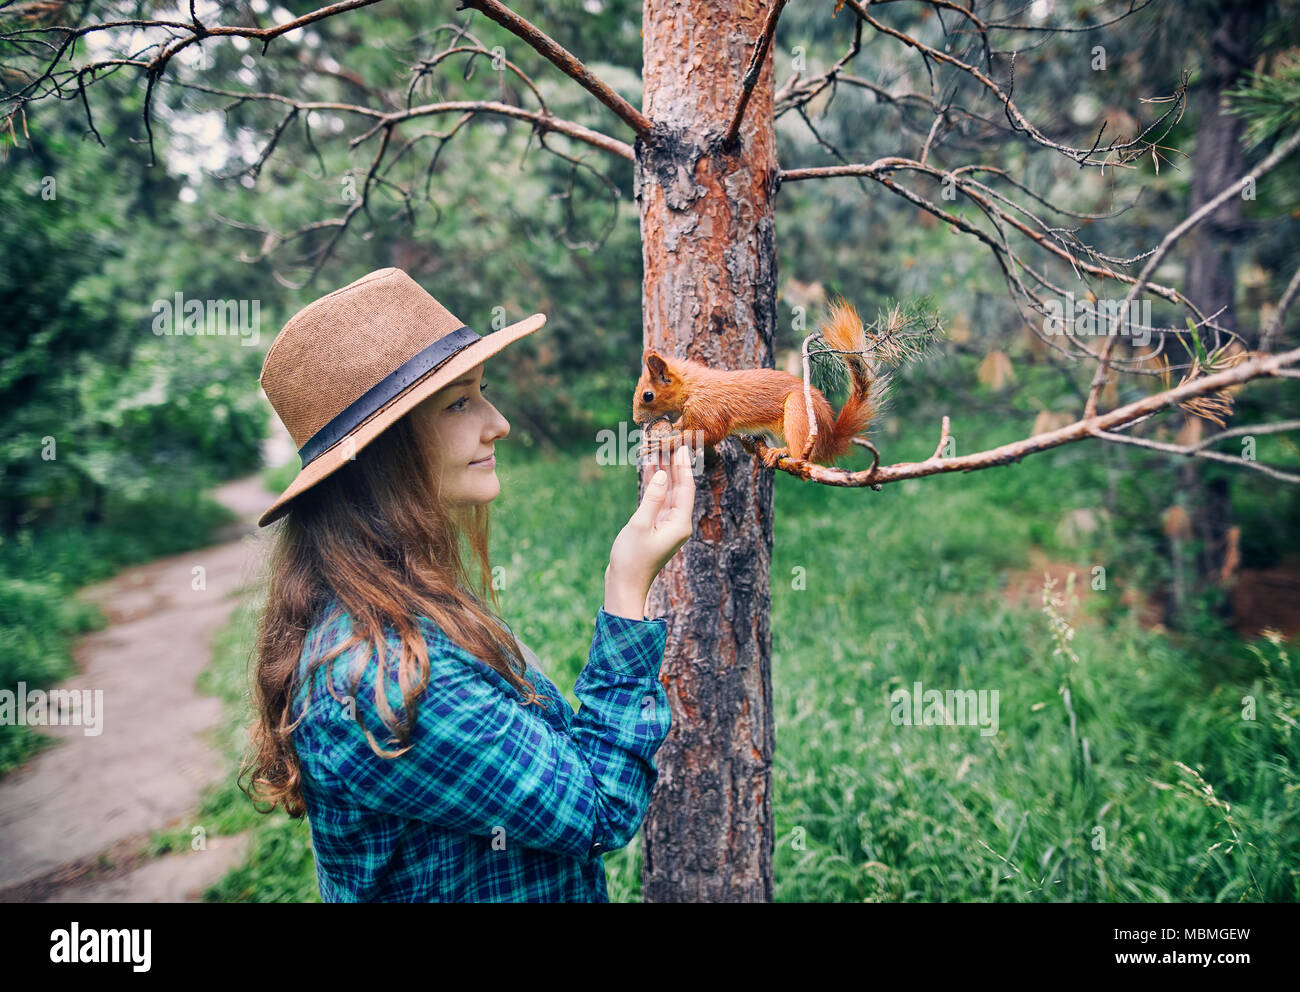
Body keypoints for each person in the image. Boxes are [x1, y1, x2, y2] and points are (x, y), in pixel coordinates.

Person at [240, 267, 694, 901]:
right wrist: (627, 584)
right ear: (384, 449)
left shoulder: (394, 601)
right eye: (460, 402)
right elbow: (597, 808)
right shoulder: (384, 673)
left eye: (482, 393)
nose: (498, 422)